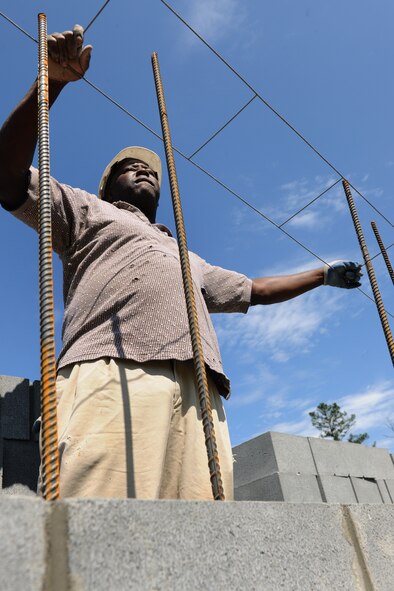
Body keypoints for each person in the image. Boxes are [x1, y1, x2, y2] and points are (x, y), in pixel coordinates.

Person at [0, 25, 362, 500]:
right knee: (96, 526)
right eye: (131, 167)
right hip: (113, 371)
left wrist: (322, 275)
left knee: (200, 543)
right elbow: (7, 176)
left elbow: (254, 289)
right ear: (109, 185)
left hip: (199, 393)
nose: (146, 169)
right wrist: (52, 83)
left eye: (151, 167)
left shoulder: (184, 252)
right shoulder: (87, 210)